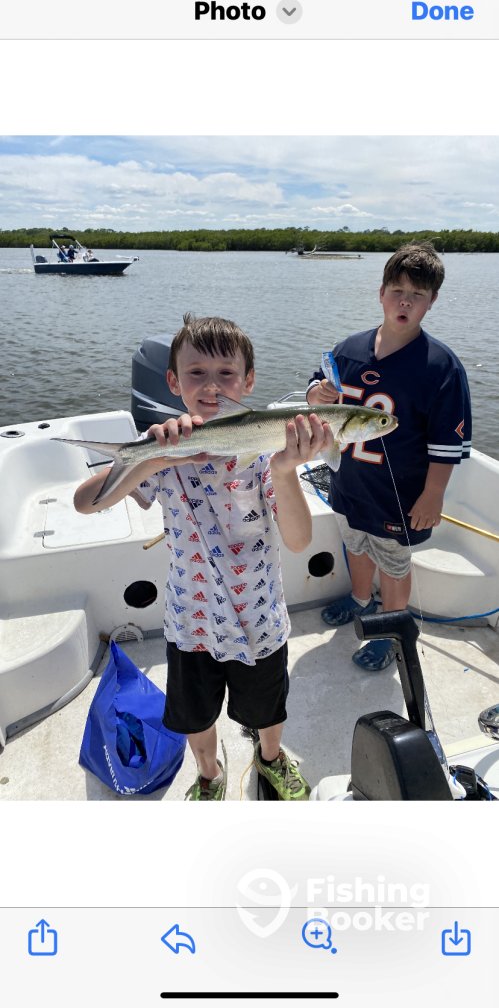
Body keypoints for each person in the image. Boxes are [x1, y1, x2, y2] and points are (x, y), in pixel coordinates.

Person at [74, 313, 331, 800]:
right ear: (172, 381)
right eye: (196, 373)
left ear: (249, 381)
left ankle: (270, 757)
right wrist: (152, 456)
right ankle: (210, 772)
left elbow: (298, 541)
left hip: (260, 621)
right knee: (193, 715)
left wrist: (285, 470)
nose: (212, 387)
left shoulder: (265, 452)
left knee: (267, 711)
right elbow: (85, 503)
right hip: (191, 621)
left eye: (226, 374)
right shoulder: (165, 451)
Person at [306, 242, 472, 671]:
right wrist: (316, 393)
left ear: (431, 302)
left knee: (394, 562)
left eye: (417, 295)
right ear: (380, 293)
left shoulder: (441, 367)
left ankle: (391, 627)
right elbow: (316, 387)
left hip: (399, 492)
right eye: (397, 290)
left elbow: (446, 443)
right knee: (355, 545)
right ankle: (361, 597)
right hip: (348, 481)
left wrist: (433, 494)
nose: (405, 301)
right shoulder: (349, 349)